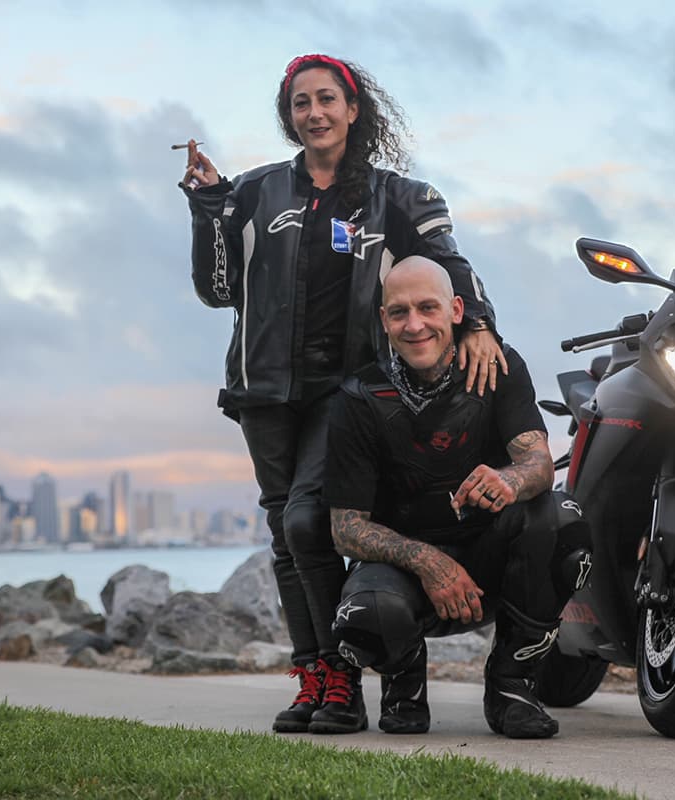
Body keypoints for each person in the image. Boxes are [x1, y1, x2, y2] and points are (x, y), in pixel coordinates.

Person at [180, 54, 506, 735]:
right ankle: (318, 679)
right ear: (289, 116)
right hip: (264, 389)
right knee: (285, 532)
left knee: (307, 522)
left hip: (353, 391)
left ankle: (345, 672)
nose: (315, 113)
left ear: (354, 109)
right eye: (301, 104)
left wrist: (476, 324)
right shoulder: (257, 192)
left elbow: (452, 269)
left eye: (327, 99)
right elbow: (217, 289)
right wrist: (208, 203)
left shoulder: (402, 198)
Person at [325, 256, 593, 739]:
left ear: (455, 310)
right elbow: (346, 528)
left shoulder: (499, 367)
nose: (415, 325)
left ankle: (511, 685)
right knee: (366, 616)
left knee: (562, 520)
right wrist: (429, 562)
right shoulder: (358, 396)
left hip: (493, 566)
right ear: (384, 320)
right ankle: (403, 684)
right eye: (399, 312)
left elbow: (538, 464)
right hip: (403, 575)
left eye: (427, 308)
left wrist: (509, 480)